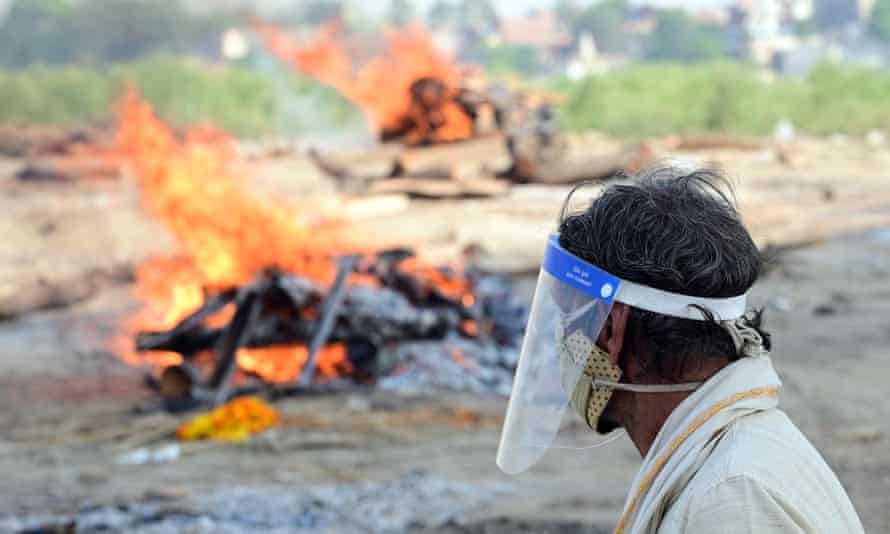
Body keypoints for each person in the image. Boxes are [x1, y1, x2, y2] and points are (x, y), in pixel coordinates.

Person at [497, 165, 865, 533]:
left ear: (611, 330)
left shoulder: (731, 501)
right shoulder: (724, 462)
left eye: (568, 314)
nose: (563, 340)